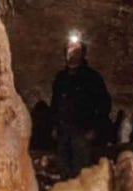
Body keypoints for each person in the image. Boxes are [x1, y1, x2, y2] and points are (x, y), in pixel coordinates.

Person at [51, 32, 111, 179]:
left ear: (83, 53)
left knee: (81, 175)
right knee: (64, 173)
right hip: (63, 133)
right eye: (69, 49)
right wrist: (54, 126)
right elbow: (55, 104)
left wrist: (94, 129)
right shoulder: (60, 78)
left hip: (82, 134)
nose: (72, 52)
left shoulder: (92, 78)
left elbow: (104, 104)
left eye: (76, 49)